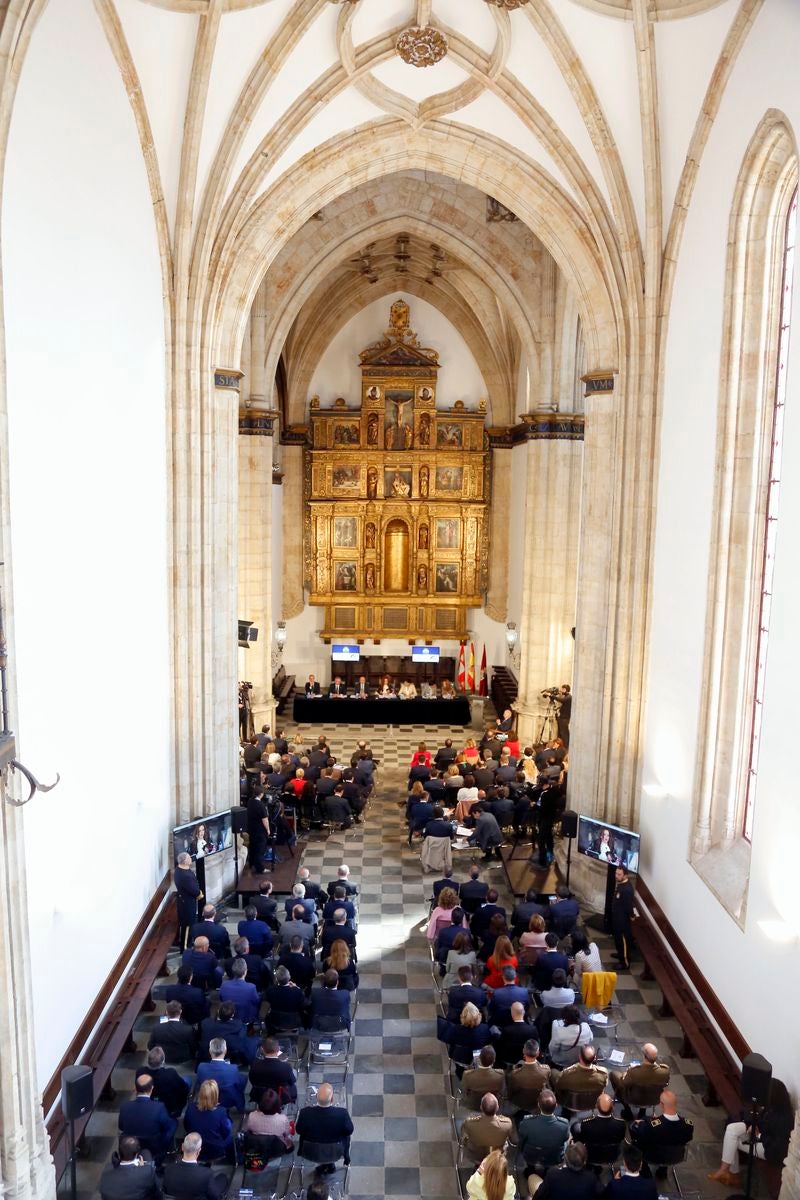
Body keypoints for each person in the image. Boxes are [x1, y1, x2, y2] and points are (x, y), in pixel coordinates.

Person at [707, 1078, 794, 1189]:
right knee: (731, 1129)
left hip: (769, 1150)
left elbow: (777, 1147)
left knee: (734, 1141)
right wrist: (753, 1125)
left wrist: (759, 1135)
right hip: (760, 1135)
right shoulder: (771, 1107)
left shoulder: (784, 1119)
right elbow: (762, 1120)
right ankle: (726, 1172)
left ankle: (731, 1174)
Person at [295, 1081, 354, 1171]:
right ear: (332, 1099)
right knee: (346, 1136)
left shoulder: (305, 1113)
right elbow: (349, 1130)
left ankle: (325, 1165)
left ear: (316, 1098)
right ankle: (342, 1159)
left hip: (311, 1152)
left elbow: (299, 1130)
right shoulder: (342, 1114)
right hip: (334, 1153)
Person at [118, 1075, 177, 1164]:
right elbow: (168, 1126)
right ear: (152, 1089)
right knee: (173, 1124)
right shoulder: (159, 1107)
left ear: (135, 1089)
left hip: (131, 1147)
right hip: (154, 1147)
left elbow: (121, 1127)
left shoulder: (124, 1106)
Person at [630, 1089, 694, 1170]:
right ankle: (663, 1171)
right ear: (676, 1103)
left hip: (653, 1157)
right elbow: (686, 1139)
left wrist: (640, 1123)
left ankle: (645, 1170)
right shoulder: (688, 1125)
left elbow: (639, 1133)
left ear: (661, 1104)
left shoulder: (651, 1126)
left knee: (638, 1142)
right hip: (675, 1157)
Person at [517, 1090, 569, 1184]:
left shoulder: (527, 1123)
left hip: (531, 1157)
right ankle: (548, 1171)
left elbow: (521, 1141)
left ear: (538, 1105)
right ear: (556, 1105)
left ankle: (531, 1170)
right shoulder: (564, 1124)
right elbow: (565, 1139)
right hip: (554, 1157)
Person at [162, 1132, 227, 1199]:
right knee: (223, 1178)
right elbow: (215, 1197)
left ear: (182, 1147)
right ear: (199, 1151)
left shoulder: (168, 1169)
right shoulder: (207, 1173)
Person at [610, 1043, 669, 1114]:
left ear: (644, 1056)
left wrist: (625, 1074)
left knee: (613, 1075)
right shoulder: (665, 1071)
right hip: (653, 1099)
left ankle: (627, 1109)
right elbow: (665, 1084)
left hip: (633, 1099)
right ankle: (642, 1112)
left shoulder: (634, 1072)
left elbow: (623, 1084)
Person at [183, 1080, 234, 1162]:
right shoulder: (221, 1112)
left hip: (194, 1146)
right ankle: (234, 1159)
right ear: (215, 1095)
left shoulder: (190, 1108)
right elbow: (226, 1132)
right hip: (215, 1149)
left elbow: (186, 1126)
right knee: (231, 1137)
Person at [99, 1136, 163, 1200]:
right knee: (147, 1154)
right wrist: (143, 1168)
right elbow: (156, 1191)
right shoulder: (147, 1171)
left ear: (119, 1153)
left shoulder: (105, 1178)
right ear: (136, 1154)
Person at [571, 1092, 627, 1163]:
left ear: (596, 1107)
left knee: (575, 1126)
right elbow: (621, 1139)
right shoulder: (621, 1124)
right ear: (612, 1107)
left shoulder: (586, 1125)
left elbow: (583, 1139)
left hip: (591, 1156)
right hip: (612, 1156)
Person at [135, 1048, 191, 1119]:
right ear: (163, 1061)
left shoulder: (140, 1072)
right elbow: (184, 1088)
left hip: (150, 1103)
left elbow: (139, 1090)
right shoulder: (170, 1074)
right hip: (169, 1107)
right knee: (188, 1080)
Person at [534, 1141, 601, 1200]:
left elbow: (538, 1196)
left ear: (566, 1159)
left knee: (532, 1177)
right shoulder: (591, 1178)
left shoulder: (552, 1174)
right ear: (584, 1161)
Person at [460, 1093, 516, 1159]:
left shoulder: (469, 1123)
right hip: (497, 1157)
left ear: (481, 1107)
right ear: (497, 1108)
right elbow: (512, 1139)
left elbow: (463, 1134)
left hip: (476, 1156)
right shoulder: (507, 1123)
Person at [196, 1038, 246, 1110]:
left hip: (208, 1099)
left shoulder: (201, 1067)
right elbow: (239, 1085)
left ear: (210, 1051)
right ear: (225, 1051)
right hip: (228, 1101)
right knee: (242, 1079)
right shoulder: (233, 1069)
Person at [248, 1036, 298, 1104]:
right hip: (282, 1096)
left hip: (261, 1095)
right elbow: (292, 1081)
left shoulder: (254, 1066)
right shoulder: (286, 1067)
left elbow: (253, 1082)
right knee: (294, 1071)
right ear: (278, 1049)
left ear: (262, 1050)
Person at [507, 1040, 551, 1113]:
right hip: (537, 1101)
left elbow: (511, 1092)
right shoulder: (546, 1070)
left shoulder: (515, 1074)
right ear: (538, 1054)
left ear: (523, 1052)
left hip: (520, 1102)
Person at [611, 867, 639, 970]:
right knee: (617, 939)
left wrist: (632, 916)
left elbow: (628, 906)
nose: (616, 876)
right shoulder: (622, 884)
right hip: (617, 918)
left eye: (619, 874)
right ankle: (620, 954)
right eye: (616, 873)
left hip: (622, 921)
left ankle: (625, 963)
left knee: (623, 941)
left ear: (625, 875)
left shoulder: (627, 889)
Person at [219, 958, 260, 1025]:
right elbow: (256, 1002)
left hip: (228, 1018)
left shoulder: (224, 985)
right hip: (245, 1020)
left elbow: (221, 999)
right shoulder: (251, 987)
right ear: (245, 971)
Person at [175, 853, 202, 951]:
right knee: (188, 926)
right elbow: (194, 890)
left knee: (188, 925)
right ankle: (185, 948)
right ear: (185, 861)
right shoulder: (185, 876)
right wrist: (199, 893)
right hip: (187, 904)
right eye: (189, 858)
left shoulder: (180, 869)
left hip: (184, 901)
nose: (191, 859)